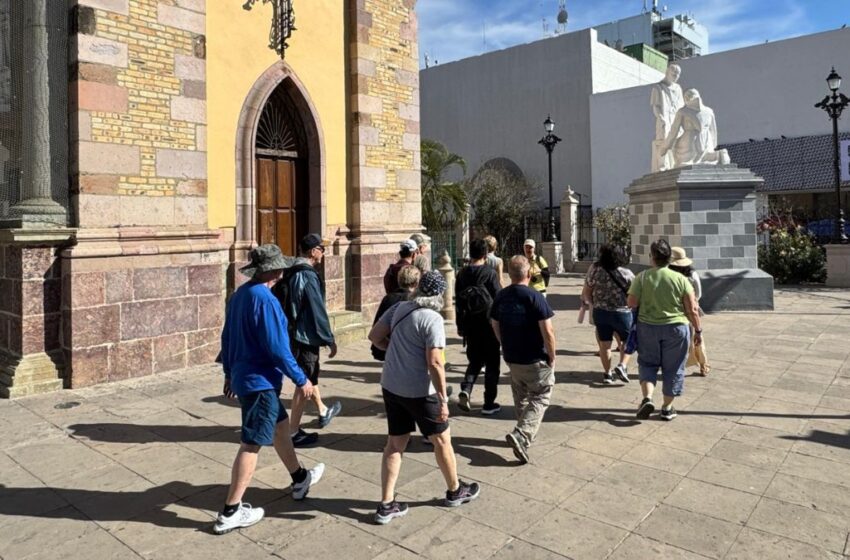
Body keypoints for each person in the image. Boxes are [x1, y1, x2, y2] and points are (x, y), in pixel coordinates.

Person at [215, 244, 325, 534]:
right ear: (274, 271)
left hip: (244, 376)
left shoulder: (240, 295)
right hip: (260, 381)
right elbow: (278, 348)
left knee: (279, 427)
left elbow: (226, 338)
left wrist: (228, 373)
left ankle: (299, 478)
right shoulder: (265, 300)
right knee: (251, 443)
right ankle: (231, 511)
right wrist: (302, 379)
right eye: (280, 269)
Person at [368, 271, 481, 524]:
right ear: (441, 294)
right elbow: (435, 363)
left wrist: (397, 352)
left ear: (419, 288)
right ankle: (455, 490)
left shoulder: (400, 308)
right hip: (421, 391)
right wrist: (443, 398)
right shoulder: (432, 319)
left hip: (392, 384)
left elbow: (375, 337)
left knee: (395, 444)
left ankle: (386, 504)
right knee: (442, 440)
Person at [274, 233, 341, 447]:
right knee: (304, 382)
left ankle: (321, 410)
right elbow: (316, 309)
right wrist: (328, 338)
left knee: (307, 377)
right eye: (322, 248)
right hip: (304, 336)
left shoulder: (291, 271)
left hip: (294, 333)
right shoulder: (308, 275)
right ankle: (293, 432)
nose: (324, 252)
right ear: (313, 251)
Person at [490, 256, 556, 465]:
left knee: (521, 397)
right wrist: (552, 356)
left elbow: (494, 323)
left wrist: (504, 344)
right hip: (534, 356)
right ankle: (522, 434)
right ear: (529, 274)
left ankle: (523, 438)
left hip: (512, 356)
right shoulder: (535, 296)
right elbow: (548, 331)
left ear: (510, 274)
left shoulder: (501, 296)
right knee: (541, 396)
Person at [627, 239, 703, 421]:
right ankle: (667, 408)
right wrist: (698, 331)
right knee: (674, 368)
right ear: (669, 258)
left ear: (651, 257)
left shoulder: (642, 277)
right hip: (676, 329)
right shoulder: (682, 280)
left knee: (647, 364)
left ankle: (647, 398)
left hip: (647, 328)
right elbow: (692, 309)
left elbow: (631, 303)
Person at [455, 238, 502, 415]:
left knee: (474, 359)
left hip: (470, 323)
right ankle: (488, 403)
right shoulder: (489, 273)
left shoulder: (462, 274)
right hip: (489, 324)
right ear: (485, 254)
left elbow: (458, 302)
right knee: (492, 363)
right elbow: (497, 299)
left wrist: (460, 326)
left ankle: (466, 389)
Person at [581, 244, 634, 385]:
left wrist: (594, 303)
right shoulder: (627, 273)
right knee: (626, 342)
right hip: (622, 313)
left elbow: (587, 292)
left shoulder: (596, 271)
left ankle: (607, 374)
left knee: (605, 345)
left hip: (601, 312)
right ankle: (622, 366)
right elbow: (635, 295)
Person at [661, 89, 730, 168]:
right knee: (705, 155)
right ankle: (718, 154)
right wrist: (713, 145)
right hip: (707, 141)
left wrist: (665, 147)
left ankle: (688, 160)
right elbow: (713, 131)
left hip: (690, 140)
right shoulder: (709, 111)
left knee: (677, 148)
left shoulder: (683, 111)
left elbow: (673, 132)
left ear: (686, 99)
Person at [669, 247, 711, 376]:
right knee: (697, 337)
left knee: (675, 340)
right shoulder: (692, 274)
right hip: (691, 309)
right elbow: (698, 293)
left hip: (674, 310)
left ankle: (675, 366)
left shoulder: (668, 274)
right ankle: (703, 365)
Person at [371, 265, 421, 361]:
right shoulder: (417, 301)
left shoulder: (388, 298)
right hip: (411, 351)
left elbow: (376, 325)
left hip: (390, 348)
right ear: (416, 283)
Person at [650, 63, 683, 172]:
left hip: (676, 119)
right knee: (663, 141)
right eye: (674, 74)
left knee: (677, 141)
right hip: (664, 118)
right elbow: (656, 106)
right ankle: (662, 165)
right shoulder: (658, 87)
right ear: (667, 72)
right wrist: (661, 118)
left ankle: (675, 163)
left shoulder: (678, 88)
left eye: (678, 75)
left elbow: (681, 106)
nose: (676, 76)